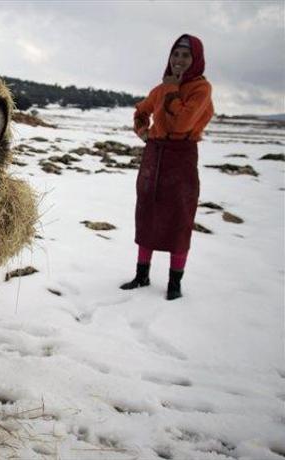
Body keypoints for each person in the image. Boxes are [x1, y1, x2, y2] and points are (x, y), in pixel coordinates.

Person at [121, 34, 214, 300]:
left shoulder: (201, 89)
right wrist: (143, 132)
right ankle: (142, 275)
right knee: (147, 213)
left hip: (181, 157)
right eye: (176, 54)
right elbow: (141, 111)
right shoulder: (160, 89)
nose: (179, 60)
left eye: (186, 56)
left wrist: (172, 89)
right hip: (155, 155)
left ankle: (174, 284)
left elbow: (183, 123)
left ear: (196, 60)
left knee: (179, 218)